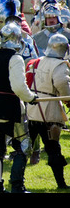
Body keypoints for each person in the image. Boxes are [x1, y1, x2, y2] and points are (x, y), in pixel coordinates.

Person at [0, 22, 37, 193]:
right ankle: (17, 186)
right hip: (10, 108)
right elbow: (19, 87)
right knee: (23, 146)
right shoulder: (15, 58)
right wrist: (31, 97)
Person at [25, 33, 70, 189]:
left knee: (24, 147)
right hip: (48, 112)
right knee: (53, 149)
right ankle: (61, 184)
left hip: (32, 110)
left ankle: (16, 181)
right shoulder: (59, 65)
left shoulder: (37, 62)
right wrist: (68, 98)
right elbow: (62, 82)